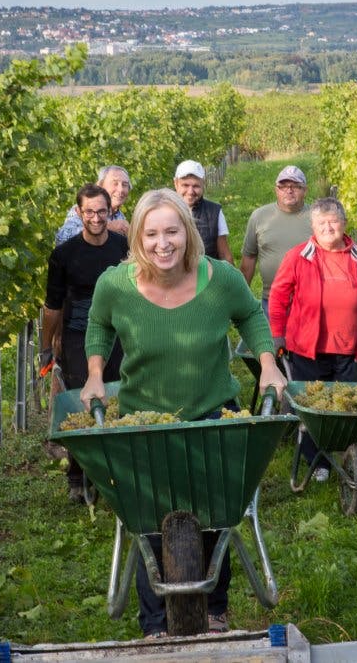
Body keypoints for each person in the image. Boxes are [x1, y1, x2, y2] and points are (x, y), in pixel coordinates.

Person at [80, 188, 286, 638]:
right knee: (149, 524)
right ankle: (155, 625)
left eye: (172, 231)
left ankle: (214, 611)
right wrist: (95, 374)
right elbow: (98, 323)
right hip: (143, 424)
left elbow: (251, 316)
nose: (163, 243)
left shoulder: (221, 279)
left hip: (213, 416)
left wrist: (268, 364)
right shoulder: (115, 285)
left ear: (188, 232)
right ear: (137, 237)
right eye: (151, 234)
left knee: (216, 517)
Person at [268, 197, 357, 482]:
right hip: (308, 348)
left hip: (349, 348)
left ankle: (349, 454)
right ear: (313, 226)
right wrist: (277, 334)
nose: (328, 227)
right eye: (321, 223)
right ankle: (317, 461)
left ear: (344, 223)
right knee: (313, 408)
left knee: (350, 406)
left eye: (333, 221)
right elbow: (278, 297)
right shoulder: (299, 256)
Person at [40, 183, 129, 502]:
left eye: (102, 211)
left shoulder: (123, 247)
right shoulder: (64, 255)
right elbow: (53, 306)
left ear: (110, 212)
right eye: (89, 212)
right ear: (79, 212)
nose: (96, 218)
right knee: (84, 400)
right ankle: (78, 476)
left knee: (119, 398)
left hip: (118, 332)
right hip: (78, 335)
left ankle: (115, 474)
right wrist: (47, 347)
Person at [240, 165, 313, 313]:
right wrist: (241, 297)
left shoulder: (317, 217)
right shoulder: (259, 216)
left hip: (310, 301)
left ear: (305, 190)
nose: (289, 190)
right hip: (271, 301)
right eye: (283, 186)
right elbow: (249, 258)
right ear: (276, 190)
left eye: (295, 186)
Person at [173, 159, 234, 264]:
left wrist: (231, 273)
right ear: (176, 183)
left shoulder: (214, 212)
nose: (190, 191)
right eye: (185, 185)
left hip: (207, 272)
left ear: (203, 184)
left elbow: (224, 254)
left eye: (196, 186)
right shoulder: (163, 212)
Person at [54, 165, 132, 246]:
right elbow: (63, 239)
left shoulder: (119, 216)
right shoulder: (84, 209)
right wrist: (107, 228)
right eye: (115, 183)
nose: (120, 189)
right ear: (100, 185)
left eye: (125, 185)